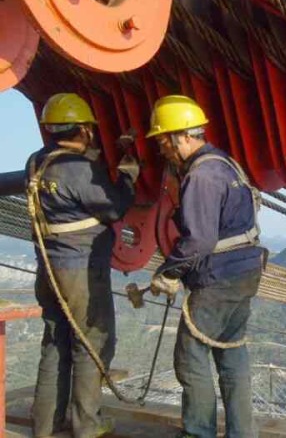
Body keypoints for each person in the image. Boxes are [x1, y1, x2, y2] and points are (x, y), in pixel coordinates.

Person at [145, 95, 264, 438]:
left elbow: (198, 240)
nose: (162, 151)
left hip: (218, 278)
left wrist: (169, 272)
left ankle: (198, 432)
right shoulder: (226, 164)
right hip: (245, 271)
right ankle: (243, 433)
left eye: (163, 142)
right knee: (230, 350)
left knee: (190, 355)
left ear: (180, 136)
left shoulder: (200, 176)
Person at [27, 93, 140, 438]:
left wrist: (93, 164)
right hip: (80, 271)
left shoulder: (36, 162)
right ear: (84, 130)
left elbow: (69, 189)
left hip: (49, 269)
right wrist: (127, 177)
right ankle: (87, 426)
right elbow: (113, 208)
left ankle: (45, 426)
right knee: (92, 344)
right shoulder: (79, 169)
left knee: (55, 343)